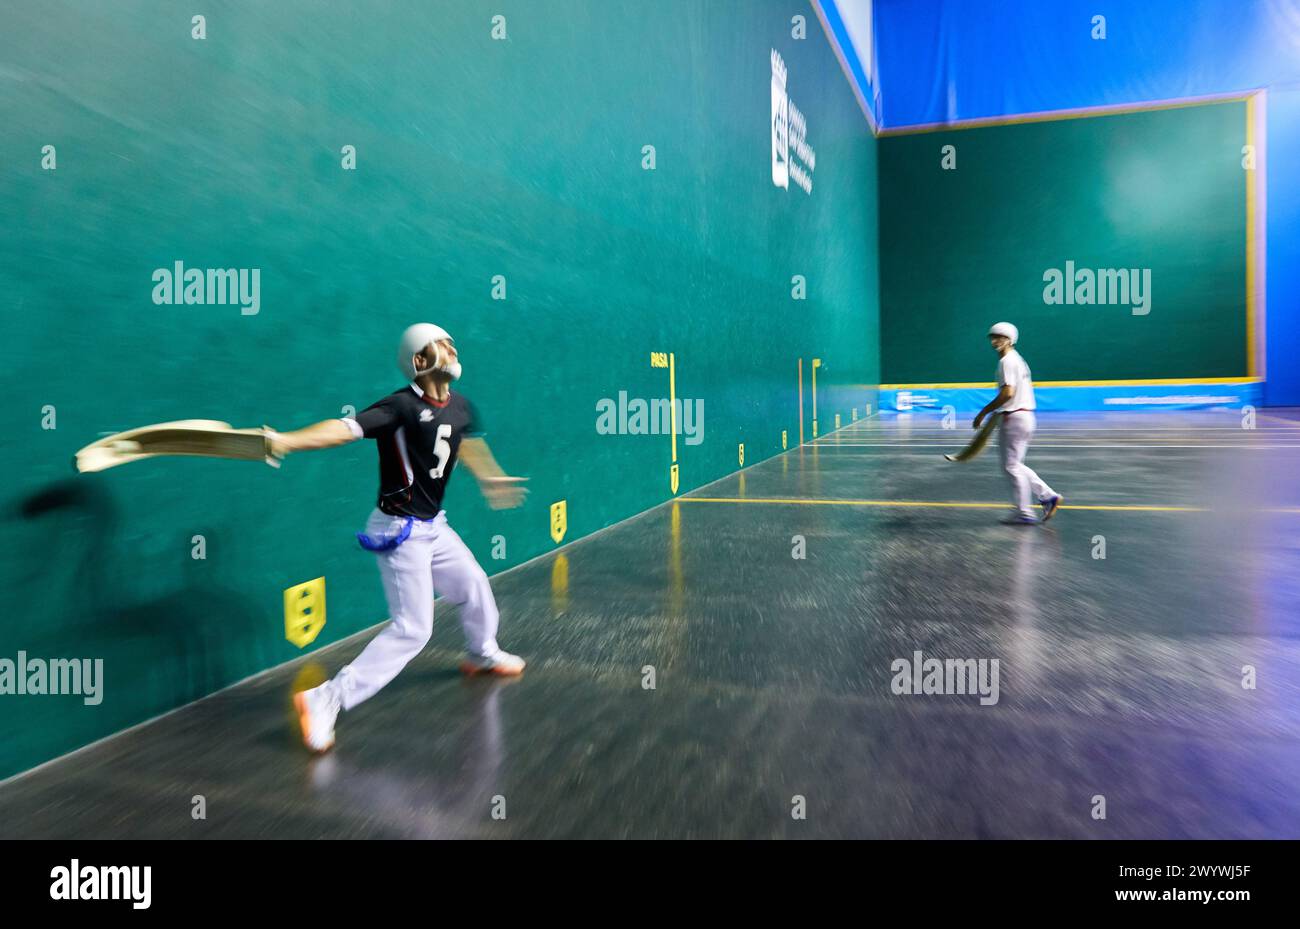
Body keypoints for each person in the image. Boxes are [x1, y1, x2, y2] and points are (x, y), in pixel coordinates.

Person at [273, 323, 527, 753]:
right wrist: (285, 441)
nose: (452, 347)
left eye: (451, 341)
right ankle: (324, 699)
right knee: (413, 629)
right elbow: (343, 429)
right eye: (440, 344)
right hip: (398, 530)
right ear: (420, 361)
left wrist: (491, 478)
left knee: (473, 585)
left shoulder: (461, 406)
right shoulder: (399, 407)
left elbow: (463, 442)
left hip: (434, 526)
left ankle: (482, 652)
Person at [972, 322, 1062, 525]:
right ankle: (1048, 496)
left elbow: (1008, 393)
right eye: (993, 337)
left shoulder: (1007, 361)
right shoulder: (1016, 360)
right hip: (1024, 417)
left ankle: (1025, 512)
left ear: (1010, 339)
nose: (995, 341)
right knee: (1015, 465)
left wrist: (983, 412)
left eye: (1000, 337)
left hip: (1014, 418)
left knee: (1011, 466)